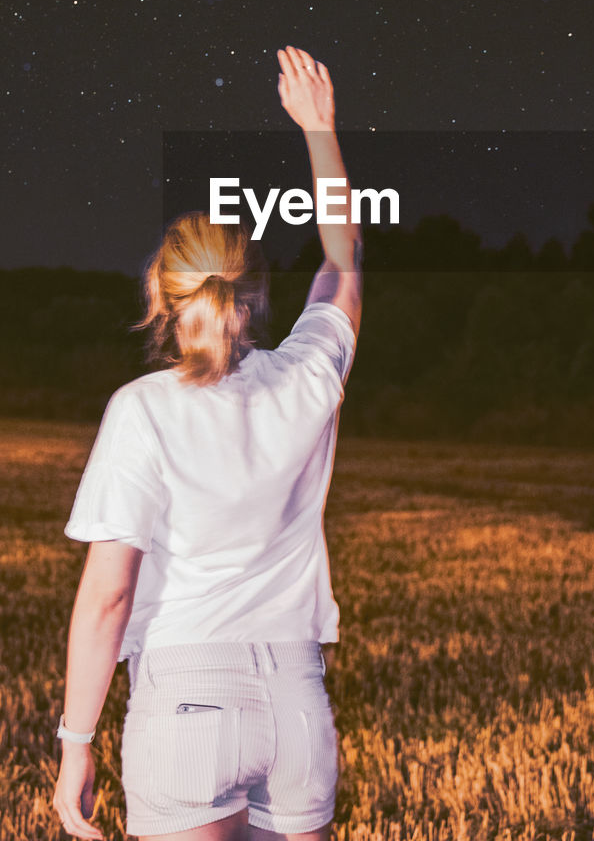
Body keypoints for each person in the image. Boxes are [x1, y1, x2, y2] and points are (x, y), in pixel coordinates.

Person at [52, 45, 363, 841]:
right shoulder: (307, 378)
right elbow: (341, 257)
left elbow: (108, 598)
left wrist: (75, 744)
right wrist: (319, 130)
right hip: (298, 705)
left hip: (188, 700)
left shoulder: (142, 410)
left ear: (161, 290)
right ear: (252, 296)